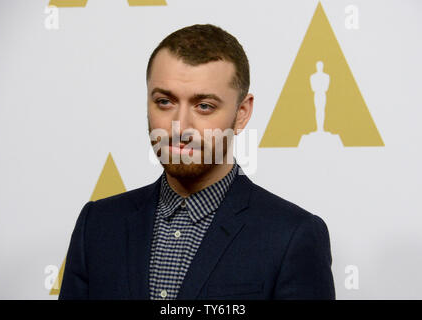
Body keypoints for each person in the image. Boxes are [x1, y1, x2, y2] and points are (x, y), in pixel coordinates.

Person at [59, 24, 335, 300]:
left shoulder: (291, 235)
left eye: (204, 106)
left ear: (242, 113)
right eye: (165, 101)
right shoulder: (97, 225)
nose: (180, 127)